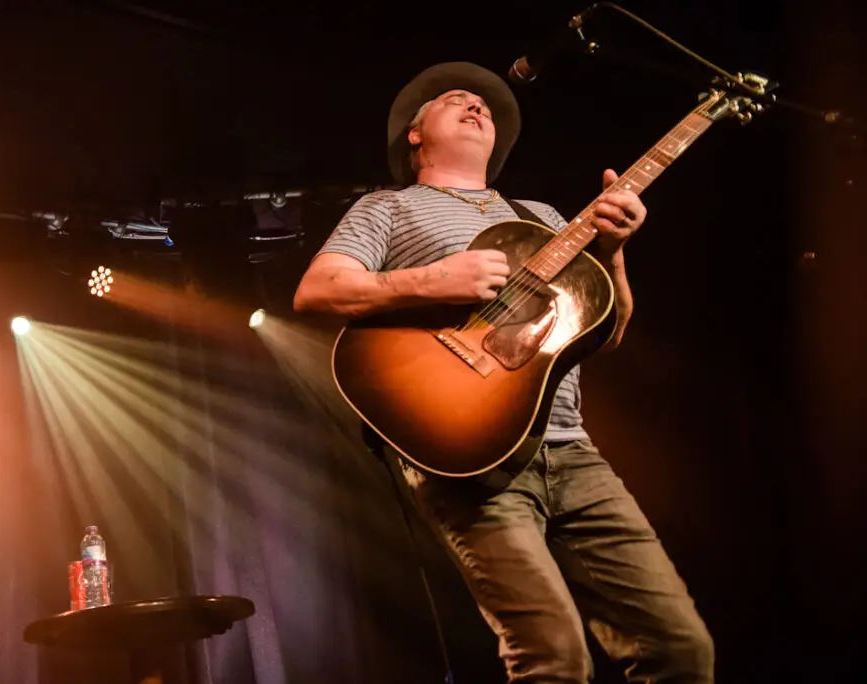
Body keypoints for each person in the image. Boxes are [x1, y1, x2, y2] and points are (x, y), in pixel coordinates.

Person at [292, 62, 715, 683]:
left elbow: (607, 331)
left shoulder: (541, 214)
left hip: (573, 454)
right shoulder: (388, 207)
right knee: (554, 657)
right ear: (415, 135)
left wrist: (615, 255)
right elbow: (318, 289)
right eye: (455, 100)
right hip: (472, 456)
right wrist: (436, 279)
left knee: (682, 650)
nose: (477, 105)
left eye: (485, 105)